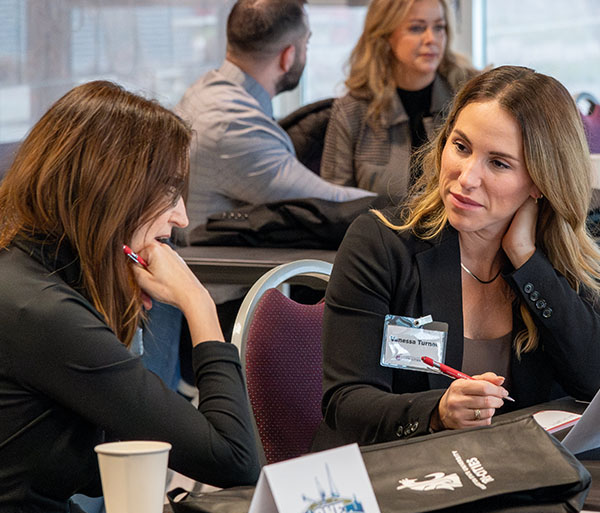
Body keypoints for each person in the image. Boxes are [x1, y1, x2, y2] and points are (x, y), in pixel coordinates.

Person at [0, 80, 260, 513]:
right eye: (169, 190)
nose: (181, 216)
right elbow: (234, 459)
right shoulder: (42, 311)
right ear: (112, 189)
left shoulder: (27, 273)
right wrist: (200, 307)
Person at [312, 65, 600, 451]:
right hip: (398, 478)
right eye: (461, 147)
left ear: (539, 182)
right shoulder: (382, 244)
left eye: (498, 163)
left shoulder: (552, 262)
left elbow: (592, 380)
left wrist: (525, 258)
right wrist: (437, 412)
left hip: (514, 477)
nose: (466, 178)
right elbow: (346, 403)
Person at [175, 0, 372, 239]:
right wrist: (409, 207)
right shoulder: (232, 125)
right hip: (221, 273)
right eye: (306, 43)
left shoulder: (204, 90)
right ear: (288, 56)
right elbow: (328, 203)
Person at [321, 0, 478, 202]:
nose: (432, 39)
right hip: (374, 231)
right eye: (417, 28)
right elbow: (333, 203)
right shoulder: (352, 110)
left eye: (439, 27)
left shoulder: (469, 96)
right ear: (385, 36)